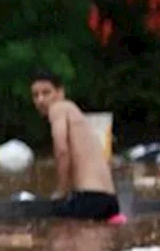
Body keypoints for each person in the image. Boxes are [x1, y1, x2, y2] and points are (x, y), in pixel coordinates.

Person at [30, 72, 120, 221]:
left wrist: (61, 191)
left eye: (46, 93)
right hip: (110, 199)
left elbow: (62, 151)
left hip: (90, 197)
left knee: (57, 235)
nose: (41, 100)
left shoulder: (58, 108)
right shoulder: (76, 114)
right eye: (35, 95)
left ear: (60, 93)